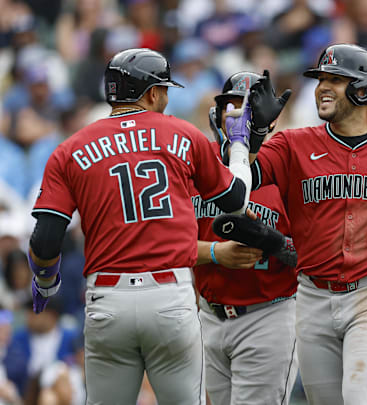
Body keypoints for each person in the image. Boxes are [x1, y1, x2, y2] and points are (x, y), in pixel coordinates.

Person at [216, 43, 367, 405]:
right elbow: (241, 182)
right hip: (312, 295)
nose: (323, 86)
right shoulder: (293, 144)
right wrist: (255, 134)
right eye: (322, 78)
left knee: (361, 398)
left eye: (336, 80)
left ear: (365, 89)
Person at [26, 48, 259, 404]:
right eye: (164, 90)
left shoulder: (70, 149)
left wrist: (45, 283)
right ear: (151, 93)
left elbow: (45, 241)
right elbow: (237, 200)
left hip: (107, 299)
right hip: (170, 295)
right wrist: (240, 145)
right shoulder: (184, 134)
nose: (166, 98)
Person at [193, 71, 299, 405]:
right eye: (231, 105)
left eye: (249, 106)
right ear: (217, 113)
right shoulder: (195, 162)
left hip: (268, 314)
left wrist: (274, 243)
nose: (238, 114)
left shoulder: (289, 166)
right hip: (208, 315)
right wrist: (213, 252)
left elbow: (316, 254)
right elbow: (162, 246)